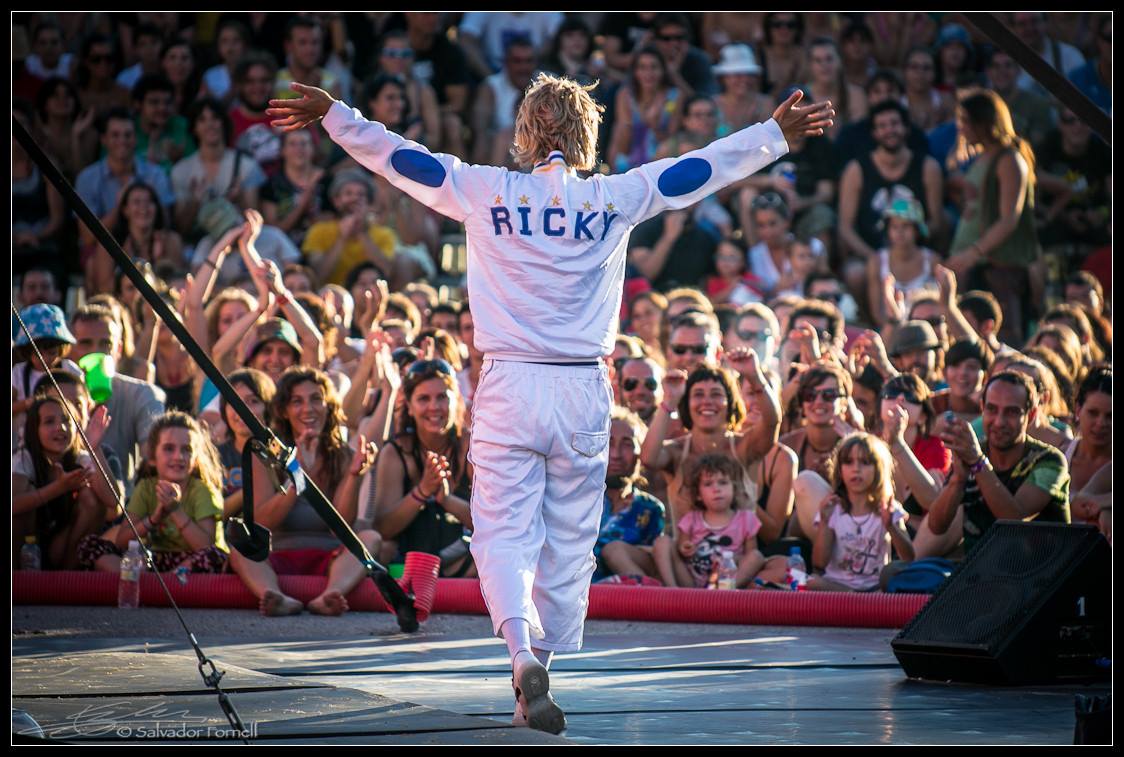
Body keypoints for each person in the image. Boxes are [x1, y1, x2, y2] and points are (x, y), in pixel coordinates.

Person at [267, 72, 831, 734]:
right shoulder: (612, 196)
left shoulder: (487, 189)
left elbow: (403, 159)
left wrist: (336, 114)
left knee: (504, 533)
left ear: (525, 134)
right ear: (589, 132)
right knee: (566, 543)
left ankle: (520, 652)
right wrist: (772, 136)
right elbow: (694, 171)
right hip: (581, 387)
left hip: (509, 381)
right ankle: (541, 668)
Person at [229, 367, 381, 616]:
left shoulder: (343, 457)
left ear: (328, 406)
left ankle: (331, 594)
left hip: (330, 558)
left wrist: (355, 475)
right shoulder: (264, 454)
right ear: (284, 411)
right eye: (296, 401)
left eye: (316, 399)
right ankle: (273, 594)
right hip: (277, 555)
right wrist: (297, 475)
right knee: (239, 548)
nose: (307, 409)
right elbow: (262, 522)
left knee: (371, 538)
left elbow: (341, 527)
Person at [927, 371, 1071, 558]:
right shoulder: (973, 452)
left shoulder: (1050, 461)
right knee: (894, 573)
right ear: (982, 408)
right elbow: (937, 526)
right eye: (992, 409)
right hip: (980, 574)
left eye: (1011, 412)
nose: (999, 421)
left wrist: (978, 463)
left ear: (1031, 415)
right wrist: (958, 479)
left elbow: (1014, 522)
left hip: (1039, 576)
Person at [78, 411, 229, 574]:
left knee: (214, 556)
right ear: (152, 457)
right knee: (90, 545)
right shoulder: (146, 488)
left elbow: (205, 546)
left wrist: (175, 510)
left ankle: (165, 583)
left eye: (187, 449)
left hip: (191, 563)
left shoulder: (202, 490)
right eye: (169, 449)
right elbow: (122, 541)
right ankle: (142, 581)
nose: (178, 456)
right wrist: (153, 520)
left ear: (196, 458)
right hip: (156, 561)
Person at [946, 89, 1040, 345]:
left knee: (1002, 339)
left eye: (966, 120)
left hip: (998, 268)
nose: (961, 127)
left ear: (984, 122)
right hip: (977, 266)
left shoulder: (1009, 159)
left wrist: (972, 253)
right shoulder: (983, 157)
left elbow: (1010, 217)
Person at [68, 305, 167, 498]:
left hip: (122, 508)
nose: (96, 351)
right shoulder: (54, 393)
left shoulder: (142, 393)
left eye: (105, 344)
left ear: (119, 350)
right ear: (70, 349)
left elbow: (156, 458)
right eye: (85, 343)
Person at [12, 396, 110, 569]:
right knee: (23, 505)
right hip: (27, 548)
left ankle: (66, 581)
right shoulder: (23, 458)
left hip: (61, 547)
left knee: (92, 498)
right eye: (49, 422)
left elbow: (113, 505)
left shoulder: (81, 458)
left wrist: (94, 448)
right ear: (34, 429)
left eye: (67, 420)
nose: (60, 427)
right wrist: (58, 488)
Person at [808, 433, 914, 591]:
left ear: (878, 469)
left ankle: (858, 599)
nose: (856, 469)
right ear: (839, 470)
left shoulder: (888, 508)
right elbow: (819, 563)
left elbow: (909, 558)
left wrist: (891, 526)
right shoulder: (833, 509)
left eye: (865, 463)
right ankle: (852, 597)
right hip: (836, 586)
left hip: (874, 587)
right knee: (812, 581)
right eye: (848, 462)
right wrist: (824, 522)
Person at [652, 453, 767, 588]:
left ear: (734, 489)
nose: (716, 489)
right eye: (708, 484)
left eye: (723, 482)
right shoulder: (691, 519)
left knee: (757, 556)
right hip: (690, 581)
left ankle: (723, 591)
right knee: (662, 542)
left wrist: (733, 560)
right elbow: (681, 548)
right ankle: (671, 589)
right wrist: (685, 548)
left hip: (727, 578)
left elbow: (750, 555)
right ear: (699, 495)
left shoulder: (746, 520)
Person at [595, 407, 666, 582]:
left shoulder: (650, 509)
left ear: (640, 453)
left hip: (624, 601)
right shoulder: (575, 500)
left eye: (627, 443)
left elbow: (653, 563)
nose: (616, 454)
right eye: (608, 442)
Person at [877, 373, 951, 535]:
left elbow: (934, 504)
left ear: (923, 416)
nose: (900, 399)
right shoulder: (871, 446)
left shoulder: (936, 448)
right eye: (891, 393)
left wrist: (897, 444)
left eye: (910, 396)